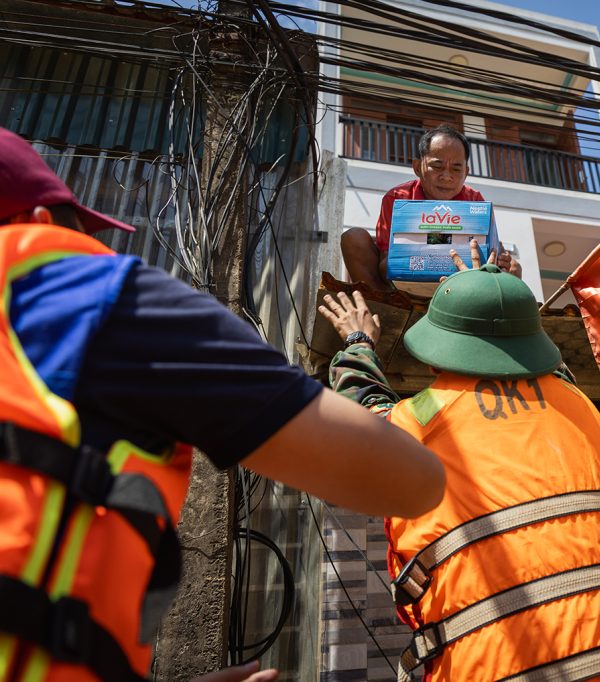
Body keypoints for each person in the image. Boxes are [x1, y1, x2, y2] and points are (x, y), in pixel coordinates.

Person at [0, 127, 445, 682]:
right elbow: (414, 480)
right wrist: (358, 344)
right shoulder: (85, 295)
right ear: (40, 223)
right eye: (82, 232)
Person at [318, 254, 600, 681]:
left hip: (500, 666)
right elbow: (543, 364)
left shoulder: (417, 420)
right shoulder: (579, 405)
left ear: (433, 356)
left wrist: (358, 340)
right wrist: (501, 300)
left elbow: (361, 408)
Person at [340, 123, 519, 290]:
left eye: (456, 169)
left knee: (513, 269)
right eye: (437, 166)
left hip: (460, 288)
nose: (446, 176)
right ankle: (385, 309)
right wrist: (426, 252)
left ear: (466, 172)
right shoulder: (397, 199)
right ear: (417, 167)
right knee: (353, 237)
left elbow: (487, 261)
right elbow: (385, 265)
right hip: (402, 288)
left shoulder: (475, 201)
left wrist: (499, 261)